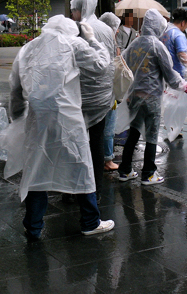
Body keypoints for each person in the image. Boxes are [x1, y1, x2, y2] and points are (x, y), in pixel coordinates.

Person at [8, 15, 114, 239]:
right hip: (67, 118)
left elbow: (15, 88)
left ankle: (33, 226)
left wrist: (16, 117)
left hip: (37, 118)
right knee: (81, 165)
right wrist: (93, 40)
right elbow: (101, 65)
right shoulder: (73, 43)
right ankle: (90, 221)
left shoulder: (28, 48)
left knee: (37, 168)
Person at [118, 9, 187, 185]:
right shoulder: (157, 46)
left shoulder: (134, 44)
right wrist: (183, 85)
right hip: (151, 98)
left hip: (134, 97)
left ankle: (125, 170)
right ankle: (149, 173)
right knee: (151, 134)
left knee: (134, 131)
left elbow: (123, 66)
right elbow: (169, 74)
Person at [70, 0, 116, 198]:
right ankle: (95, 189)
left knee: (75, 142)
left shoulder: (77, 29)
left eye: (74, 10)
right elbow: (111, 59)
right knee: (96, 141)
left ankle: (73, 189)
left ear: (81, 9)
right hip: (102, 96)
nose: (72, 14)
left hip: (79, 95)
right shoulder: (106, 29)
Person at [99, 12, 122, 171]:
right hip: (108, 92)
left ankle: (100, 157)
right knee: (109, 126)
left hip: (98, 93)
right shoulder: (109, 43)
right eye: (116, 27)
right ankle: (108, 159)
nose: (118, 30)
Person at [160, 7, 187, 78]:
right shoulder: (179, 35)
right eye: (186, 23)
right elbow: (182, 54)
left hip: (164, 72)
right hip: (177, 74)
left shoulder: (165, 32)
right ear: (183, 23)